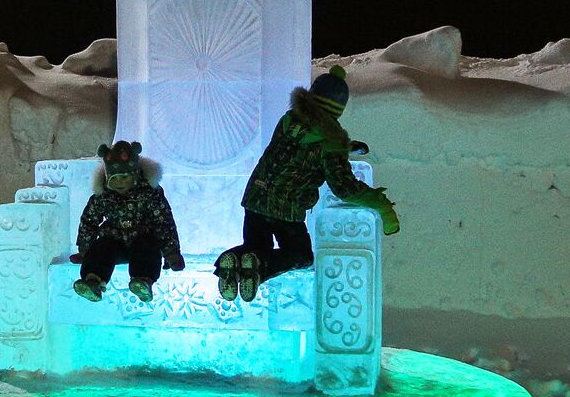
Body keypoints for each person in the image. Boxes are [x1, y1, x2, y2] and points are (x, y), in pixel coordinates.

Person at [215, 65, 399, 303]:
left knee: (255, 247)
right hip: (287, 209)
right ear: (339, 108)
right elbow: (344, 187)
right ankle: (259, 268)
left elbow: (308, 142)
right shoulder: (331, 145)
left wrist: (346, 146)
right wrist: (382, 206)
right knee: (301, 255)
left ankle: (230, 262)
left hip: (255, 198)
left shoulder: (288, 120)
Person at [72, 140, 185, 303]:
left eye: (124, 177)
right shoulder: (104, 196)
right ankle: (93, 280)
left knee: (148, 246)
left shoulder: (150, 193)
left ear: (135, 174)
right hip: (114, 240)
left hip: (142, 237)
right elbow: (89, 220)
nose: (119, 183)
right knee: (101, 247)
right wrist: (84, 249)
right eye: (114, 179)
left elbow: (164, 222)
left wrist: (172, 253)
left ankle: (143, 280)